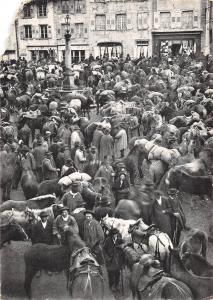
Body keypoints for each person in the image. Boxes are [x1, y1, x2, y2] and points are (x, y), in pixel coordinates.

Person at [31, 211, 54, 277]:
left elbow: (52, 234)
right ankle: (39, 270)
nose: (44, 218)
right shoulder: (36, 225)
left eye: (45, 217)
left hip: (48, 243)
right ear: (40, 218)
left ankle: (48, 269)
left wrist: (52, 243)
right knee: (39, 257)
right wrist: (35, 244)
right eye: (42, 217)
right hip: (39, 244)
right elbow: (33, 235)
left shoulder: (50, 224)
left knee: (48, 256)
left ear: (47, 217)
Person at [103, 228, 124, 292]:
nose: (115, 236)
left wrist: (122, 246)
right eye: (114, 234)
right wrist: (107, 258)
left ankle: (117, 285)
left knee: (117, 273)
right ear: (111, 235)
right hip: (110, 261)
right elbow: (104, 250)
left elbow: (123, 245)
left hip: (117, 260)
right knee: (111, 274)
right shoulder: (107, 240)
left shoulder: (119, 240)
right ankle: (111, 286)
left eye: (116, 234)